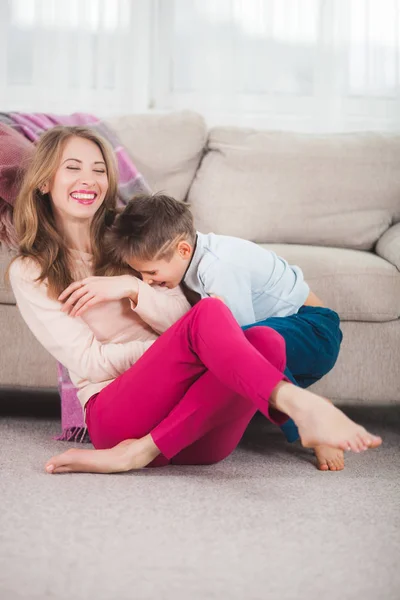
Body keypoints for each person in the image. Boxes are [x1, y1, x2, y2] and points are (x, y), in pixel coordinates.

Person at [8, 126, 381, 476]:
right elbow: (88, 361)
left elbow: (184, 319)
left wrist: (134, 289)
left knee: (264, 339)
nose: (88, 179)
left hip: (195, 436)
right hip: (117, 419)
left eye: (99, 170)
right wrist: (166, 353)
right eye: (72, 168)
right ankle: (297, 404)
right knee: (216, 315)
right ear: (44, 181)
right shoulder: (29, 270)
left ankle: (142, 452)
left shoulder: (131, 240)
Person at [103, 194, 345, 471]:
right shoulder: (192, 260)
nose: (148, 281)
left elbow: (241, 347)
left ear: (182, 250)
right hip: (290, 338)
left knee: (241, 346)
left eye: (151, 272)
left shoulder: (219, 266)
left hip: (315, 332)